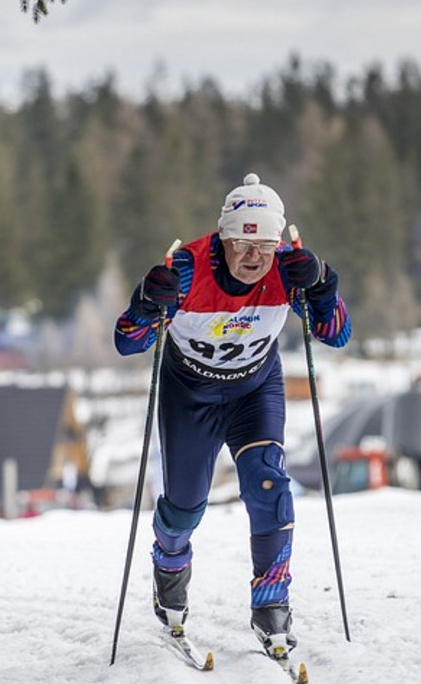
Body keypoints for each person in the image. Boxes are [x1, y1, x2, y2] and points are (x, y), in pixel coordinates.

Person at [114, 172, 351, 658]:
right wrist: (144, 302)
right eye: (242, 244)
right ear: (223, 238)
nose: (253, 258)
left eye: (264, 245)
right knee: (184, 509)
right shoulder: (186, 270)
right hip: (190, 393)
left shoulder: (289, 270)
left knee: (270, 485)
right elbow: (126, 341)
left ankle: (271, 605)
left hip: (254, 389)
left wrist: (324, 289)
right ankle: (170, 570)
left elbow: (337, 335)